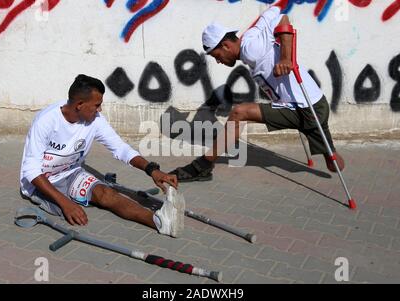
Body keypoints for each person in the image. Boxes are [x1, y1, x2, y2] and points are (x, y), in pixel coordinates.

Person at [170, 5, 345, 182]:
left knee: (239, 112)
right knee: (334, 164)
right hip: (310, 104)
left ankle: (203, 166)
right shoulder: (250, 36)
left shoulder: (251, 49)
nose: (218, 61)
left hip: (304, 109)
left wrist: (286, 57)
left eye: (217, 55)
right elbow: (276, 12)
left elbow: (282, 19)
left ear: (226, 45)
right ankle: (330, 153)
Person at [20, 74, 184, 237]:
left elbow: (120, 148)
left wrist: (151, 170)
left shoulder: (95, 120)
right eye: (97, 105)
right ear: (79, 105)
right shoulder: (46, 121)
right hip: (40, 183)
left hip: (71, 173)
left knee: (106, 194)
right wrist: (65, 203)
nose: (99, 110)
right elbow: (31, 171)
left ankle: (160, 222)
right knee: (67, 211)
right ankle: (59, 200)